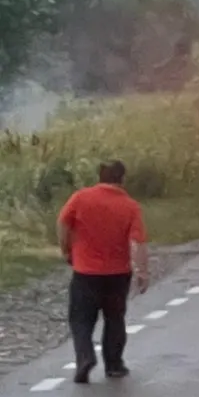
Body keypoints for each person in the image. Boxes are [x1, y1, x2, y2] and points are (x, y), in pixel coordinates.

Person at [56, 160, 149, 384]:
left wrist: (66, 249)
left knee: (80, 319)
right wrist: (142, 272)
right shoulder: (130, 206)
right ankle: (114, 365)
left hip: (85, 272)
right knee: (114, 318)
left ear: (100, 176)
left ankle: (85, 356)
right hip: (118, 273)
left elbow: (62, 222)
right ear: (122, 179)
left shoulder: (81, 197)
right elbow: (137, 242)